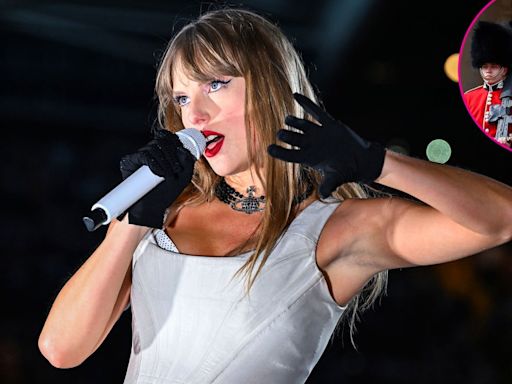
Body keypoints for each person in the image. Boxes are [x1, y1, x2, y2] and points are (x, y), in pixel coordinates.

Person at [38, 8, 512, 383]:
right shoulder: (163, 211)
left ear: (270, 87)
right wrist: (132, 221)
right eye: (181, 98)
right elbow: (61, 350)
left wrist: (378, 163)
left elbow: (501, 219)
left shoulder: (337, 227)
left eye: (215, 85)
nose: (195, 114)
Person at [463, 20, 512, 147]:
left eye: (494, 66)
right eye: (484, 66)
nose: (488, 70)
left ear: (504, 69)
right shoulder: (469, 97)